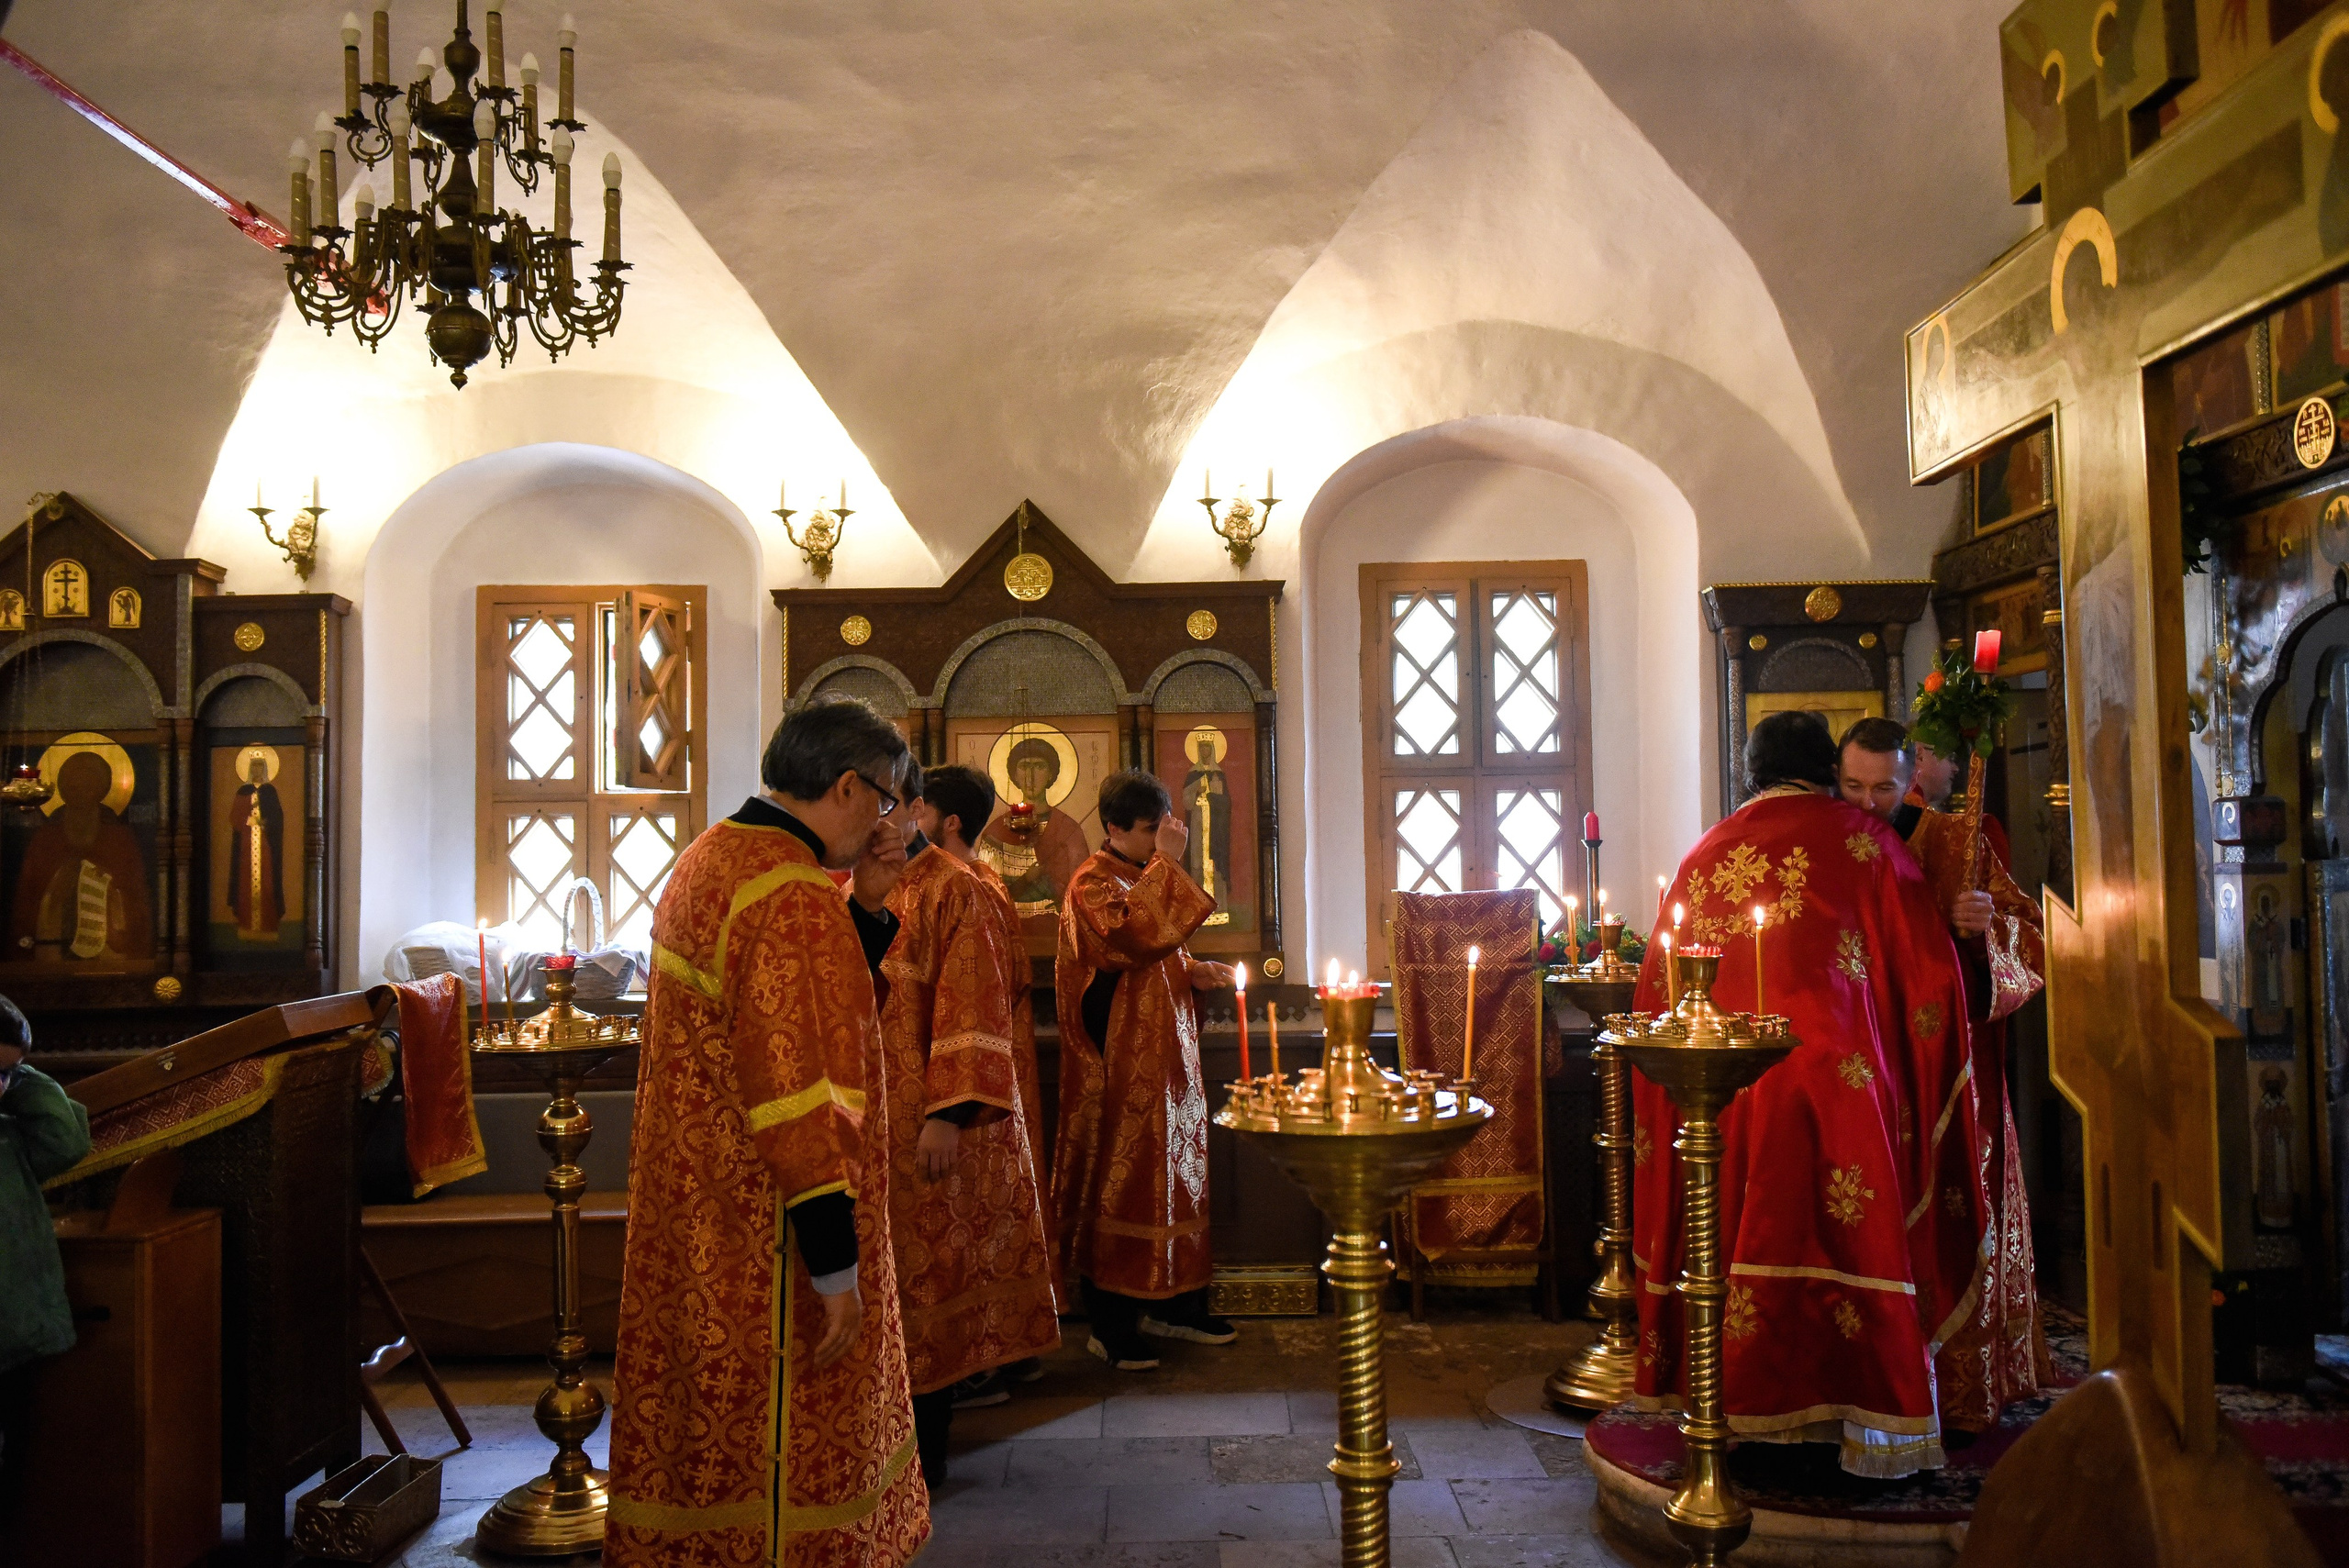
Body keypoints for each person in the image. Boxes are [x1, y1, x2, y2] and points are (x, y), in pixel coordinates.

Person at [606, 697, 930, 1568]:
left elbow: (797, 1009)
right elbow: (801, 1093)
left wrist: (865, 906)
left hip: (696, 1213)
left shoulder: (716, 856)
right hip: (765, 1239)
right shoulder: (790, 894)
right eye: (886, 799)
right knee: (783, 1447)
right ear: (848, 786)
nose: (888, 822)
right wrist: (836, 1270)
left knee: (705, 1441)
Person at [1631, 710, 1986, 1478]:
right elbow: (1929, 984)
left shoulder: (1703, 854)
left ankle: (1731, 1411)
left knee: (1728, 1235)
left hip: (1725, 1088)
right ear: (1827, 770)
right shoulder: (1871, 845)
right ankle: (1860, 1420)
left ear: (1750, 772)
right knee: (1850, 1233)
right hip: (1841, 1087)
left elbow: (1655, 999)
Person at [1838, 716, 2049, 1427]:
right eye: (1853, 786)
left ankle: (1957, 1387)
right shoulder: (1827, 844)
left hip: (1953, 1079)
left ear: (1912, 780)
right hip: (1865, 1074)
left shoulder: (1957, 842)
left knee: (1954, 1224)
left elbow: (2034, 941)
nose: (1868, 804)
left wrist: (1983, 929)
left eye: (1883, 788)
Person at [879, 763, 1059, 1486]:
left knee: (927, 1284)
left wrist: (947, 1114)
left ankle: (926, 1459)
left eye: (893, 803)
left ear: (917, 809)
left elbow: (976, 1001)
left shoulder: (955, 887)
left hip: (922, 1122)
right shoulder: (861, 882)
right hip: (866, 1123)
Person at [1053, 769, 1237, 1369]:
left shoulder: (1141, 874)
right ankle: (1111, 1324)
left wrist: (1193, 970)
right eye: (1149, 829)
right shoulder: (1091, 882)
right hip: (1121, 1070)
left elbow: (1159, 954)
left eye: (1163, 828)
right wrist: (1168, 862)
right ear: (1113, 827)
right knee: (1125, 1182)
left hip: (1171, 1064)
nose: (1161, 839)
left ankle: (1176, 1303)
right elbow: (1129, 937)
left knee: (1180, 1178)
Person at [0, 994, 91, 1536]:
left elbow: (66, 1140)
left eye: (5, 1075)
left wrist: (20, 1076)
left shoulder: (9, 1133)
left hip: (15, 1332)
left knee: (14, 1462)